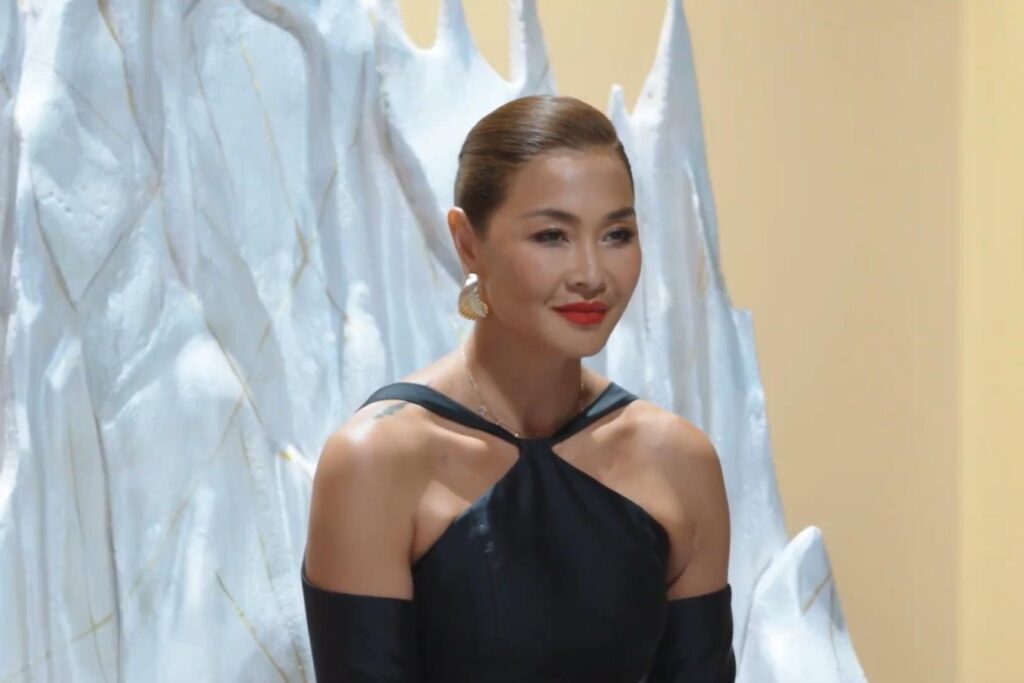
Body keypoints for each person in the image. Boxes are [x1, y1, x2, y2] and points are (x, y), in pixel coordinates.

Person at [301, 94, 736, 682]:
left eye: (616, 234)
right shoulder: (376, 461)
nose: (591, 274)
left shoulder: (679, 462)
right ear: (467, 242)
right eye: (552, 236)